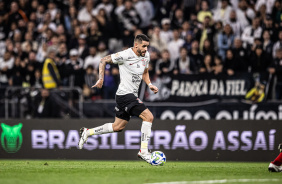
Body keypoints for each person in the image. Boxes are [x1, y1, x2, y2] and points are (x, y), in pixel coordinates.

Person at [78, 34, 159, 164]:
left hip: (128, 96)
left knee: (118, 127)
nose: (146, 49)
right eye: (144, 46)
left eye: (147, 46)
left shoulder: (146, 56)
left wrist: (149, 84)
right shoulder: (125, 55)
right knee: (149, 117)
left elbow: (145, 72)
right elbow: (103, 60)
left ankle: (88, 132)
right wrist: (101, 78)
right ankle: (144, 151)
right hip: (125, 95)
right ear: (136, 45)